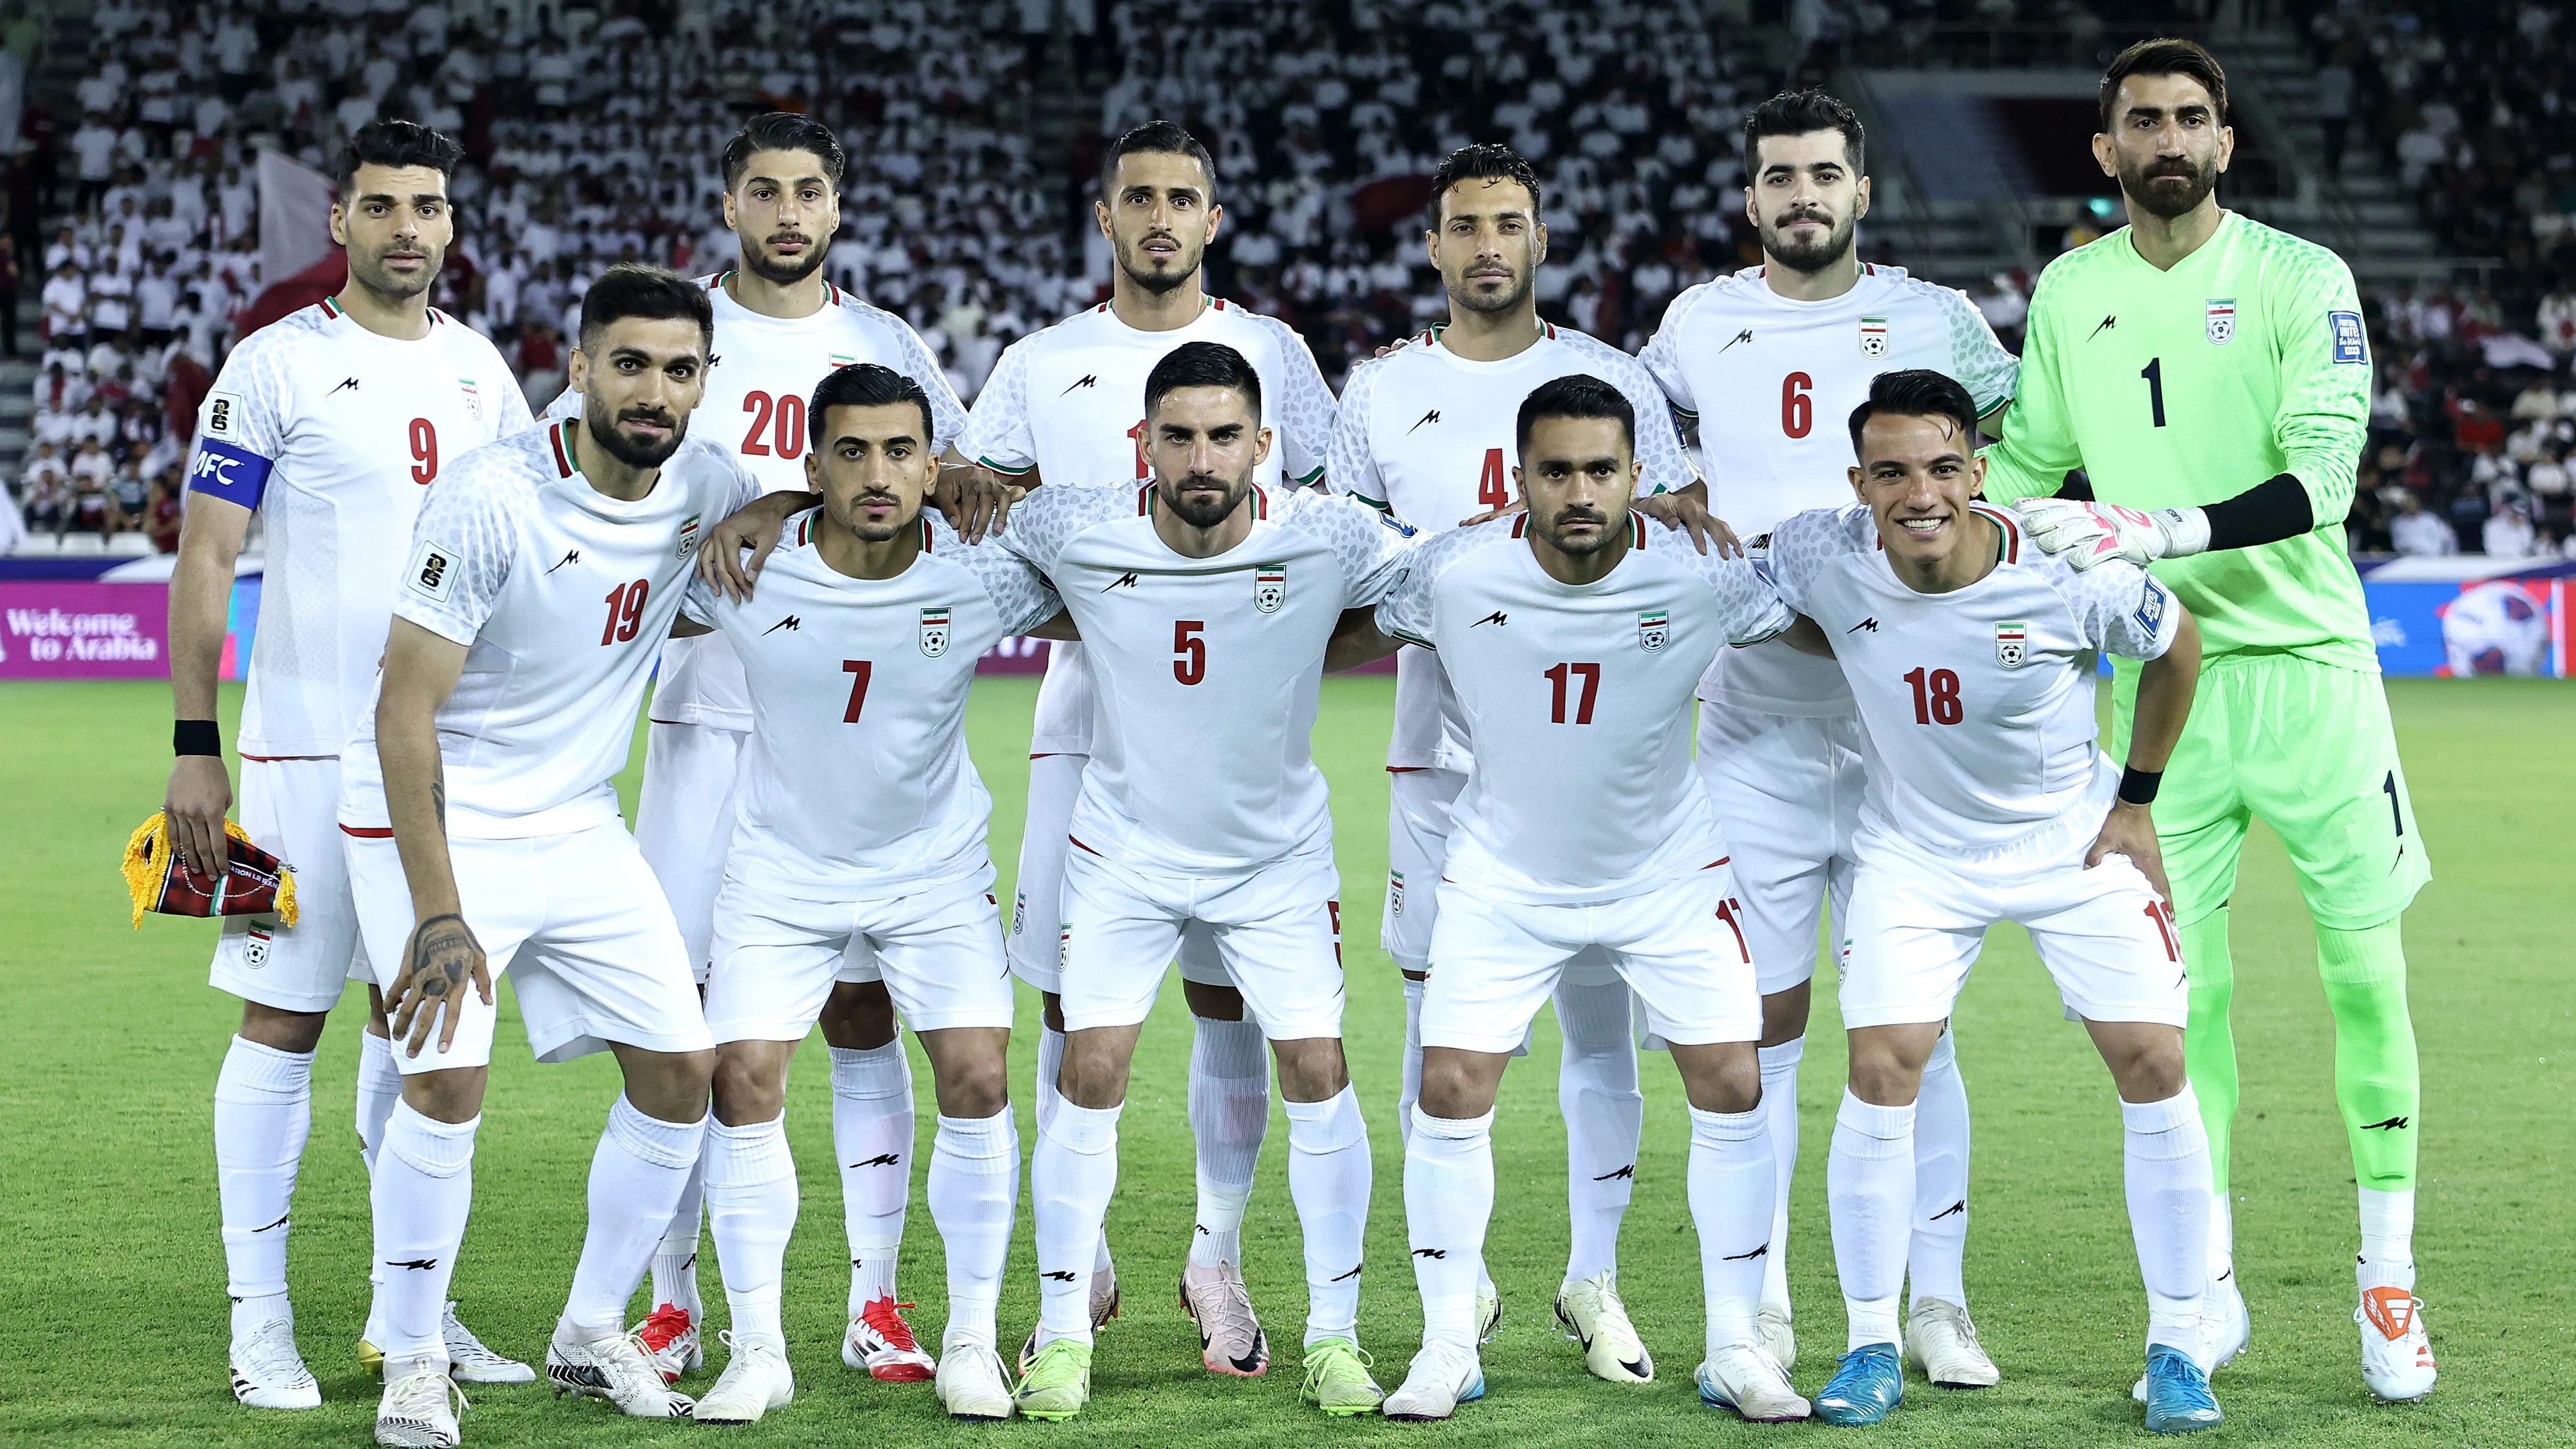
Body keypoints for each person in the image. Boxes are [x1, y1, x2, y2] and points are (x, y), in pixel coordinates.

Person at [1987, 38, 2438, 1404]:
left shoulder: (2303, 279)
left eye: (2191, 116)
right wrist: (1948, 539)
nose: (2167, 136)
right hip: (2160, 685)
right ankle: (2209, 1289)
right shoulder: (2070, 289)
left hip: (2307, 669)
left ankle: (2385, 1279)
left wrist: (2155, 524)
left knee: (2364, 976)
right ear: (2103, 150)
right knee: (2192, 1001)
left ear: (2226, 143)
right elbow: (2021, 460)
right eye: (2141, 120)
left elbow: (2321, 477)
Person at [551, 110, 973, 1388]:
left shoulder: (885, 346)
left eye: (808, 191)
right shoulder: (679, 338)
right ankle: (675, 1303)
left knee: (860, 1015)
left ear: (836, 209)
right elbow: (587, 480)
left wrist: (789, 499)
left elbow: (941, 489)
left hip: (854, 736)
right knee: (688, 1034)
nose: (787, 212)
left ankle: (876, 1300)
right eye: (763, 191)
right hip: (703, 721)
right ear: (728, 205)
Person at [924, 119, 1340, 1373]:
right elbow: (966, 490)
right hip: (1082, 725)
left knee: (1232, 999)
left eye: (1184, 198)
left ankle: (1213, 1254)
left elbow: (1325, 514)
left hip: (1241, 737)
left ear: (1215, 220)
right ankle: (1080, 1253)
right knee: (1069, 993)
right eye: (1137, 197)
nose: (1160, 217)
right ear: (1104, 218)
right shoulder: (1043, 360)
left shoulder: (1271, 353)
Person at [340, 265, 757, 1446]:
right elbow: (400, 713)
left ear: (700, 383)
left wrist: (770, 514)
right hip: (439, 818)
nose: (654, 390)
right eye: (629, 363)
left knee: (682, 1074)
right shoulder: (490, 497)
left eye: (680, 370)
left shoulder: (707, 480)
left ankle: (586, 1328)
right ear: (577, 370)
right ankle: (413, 1359)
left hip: (577, 819)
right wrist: (436, 913)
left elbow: (777, 506)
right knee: (446, 1081)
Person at [1339, 374, 1809, 1424]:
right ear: (1520, 476)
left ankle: (1737, 1345)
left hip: (1668, 875)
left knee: (1734, 1081)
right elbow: (1343, 623)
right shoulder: (1455, 570)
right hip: (1506, 875)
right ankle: (1448, 1343)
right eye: (1558, 471)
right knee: (1451, 1088)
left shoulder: (1705, 573)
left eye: (1603, 469)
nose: (1582, 491)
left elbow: (1830, 624)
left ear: (1641, 476)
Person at [1639, 87, 2020, 1383]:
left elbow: (2000, 480)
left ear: (1862, 192)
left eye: (1823, 175)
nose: (1800, 195)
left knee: (1918, 1030)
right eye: (1777, 177)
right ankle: (1764, 1312)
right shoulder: (1692, 325)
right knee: (1754, 1031)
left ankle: (1935, 1303)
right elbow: (1649, 470)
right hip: (1753, 731)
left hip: (1912, 743)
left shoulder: (1938, 320)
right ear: (1750, 199)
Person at [1766, 369, 2220, 1434]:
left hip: (2072, 841)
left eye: (1940, 468)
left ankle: (2179, 1344)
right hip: (1916, 853)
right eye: (1891, 472)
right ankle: (1874, 1340)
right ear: (1860, 481)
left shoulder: (2069, 570)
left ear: (1977, 471)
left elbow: (2178, 647)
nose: (1918, 493)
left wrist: (2137, 801)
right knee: (1882, 1068)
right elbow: (1745, 594)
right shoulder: (1820, 552)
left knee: (2154, 1061)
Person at [159, 120, 532, 1414]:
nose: (407, 229)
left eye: (428, 205)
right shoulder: (272, 367)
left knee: (414, 1017)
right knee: (281, 1019)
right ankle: (257, 1324)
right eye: (382, 206)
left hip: (434, 761)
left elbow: (528, 544)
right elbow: (208, 558)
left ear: (451, 220)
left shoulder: (486, 371)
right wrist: (194, 749)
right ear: (343, 222)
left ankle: (407, 1318)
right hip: (292, 761)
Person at [1327, 141, 1698, 1381]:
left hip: (1602, 766)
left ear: (1541, 240)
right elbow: (1357, 565)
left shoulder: (1612, 380)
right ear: (1431, 246)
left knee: (1604, 1024)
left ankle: (1592, 1279)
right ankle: (1460, 1288)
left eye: (1510, 222)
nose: (1489, 244)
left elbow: (1681, 539)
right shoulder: (1378, 390)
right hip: (1439, 757)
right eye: (1465, 225)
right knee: (1442, 1029)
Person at [992, 341, 1407, 1421]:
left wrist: (1307, 637)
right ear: (1144, 441)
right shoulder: (1078, 524)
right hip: (1125, 851)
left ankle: (1334, 1334)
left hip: (1273, 859)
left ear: (1265, 447)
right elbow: (956, 533)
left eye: (1226, 434)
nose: (1202, 455)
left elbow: (1432, 583)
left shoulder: (1325, 533)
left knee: (1317, 1063)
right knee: (1091, 1062)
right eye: (1178, 434)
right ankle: (1063, 1330)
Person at [676, 364, 1069, 1423]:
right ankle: (757, 1351)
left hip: (931, 871)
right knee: (741, 1080)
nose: (877, 472)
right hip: (782, 871)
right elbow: (617, 593)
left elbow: (1108, 536)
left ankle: (973, 1342)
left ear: (931, 463)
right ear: (812, 469)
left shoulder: (982, 574)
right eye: (850, 452)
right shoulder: (747, 570)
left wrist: (993, 488)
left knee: (980, 1076)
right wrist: (768, 510)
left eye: (901, 451)